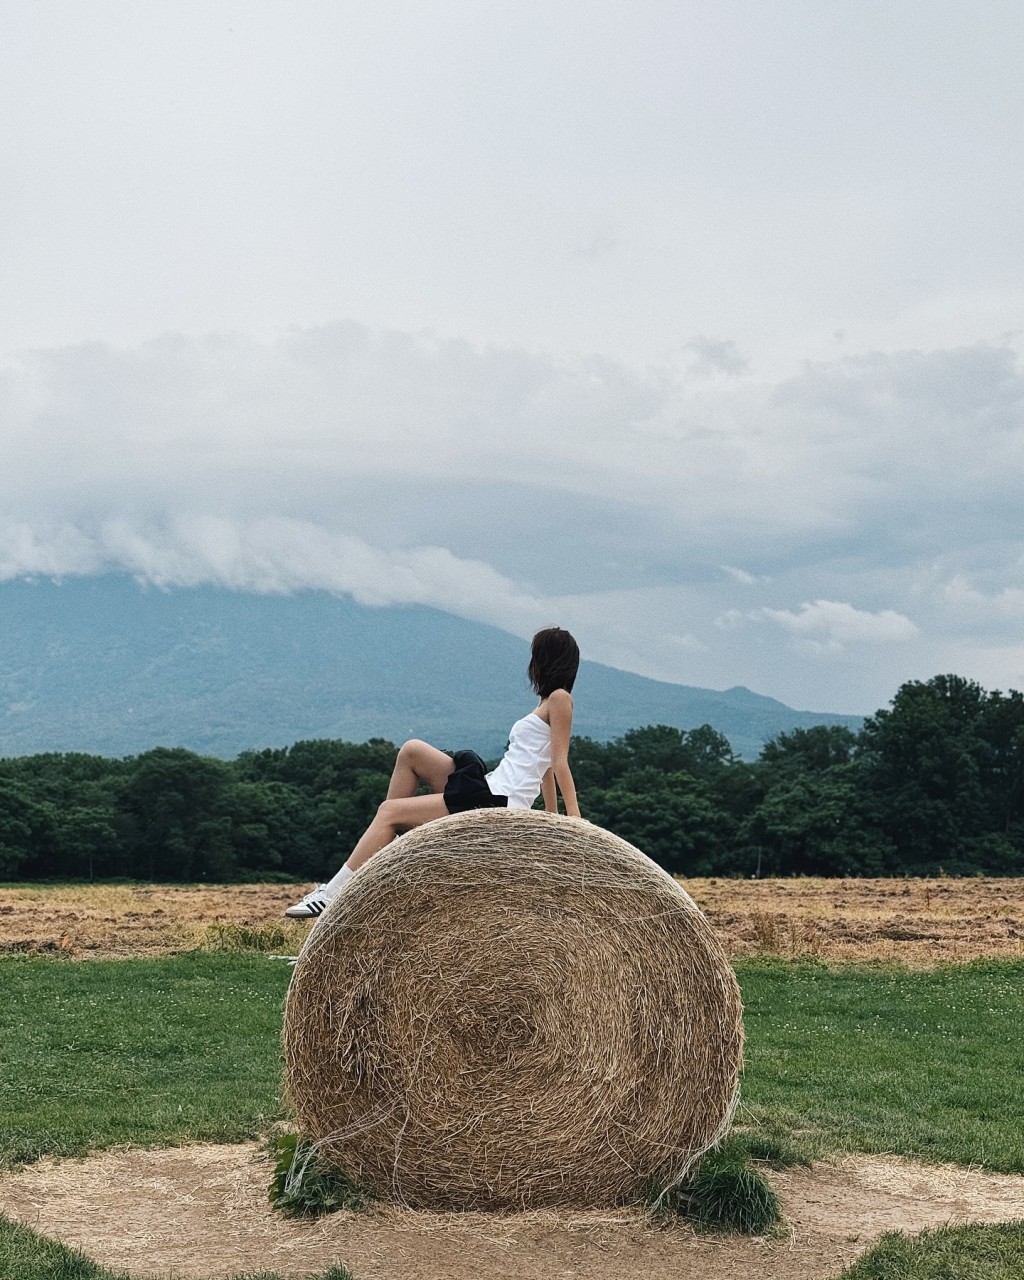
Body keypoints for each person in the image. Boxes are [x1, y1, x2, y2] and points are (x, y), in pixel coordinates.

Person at [284, 626, 581, 918]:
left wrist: (574, 821)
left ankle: (332, 895)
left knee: (388, 811)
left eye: (536, 655)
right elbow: (543, 769)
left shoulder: (560, 699)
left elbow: (559, 763)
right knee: (412, 751)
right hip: (490, 785)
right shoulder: (545, 701)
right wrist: (549, 819)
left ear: (547, 659)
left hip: (496, 801)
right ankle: (394, 847)